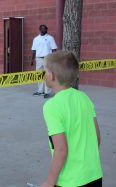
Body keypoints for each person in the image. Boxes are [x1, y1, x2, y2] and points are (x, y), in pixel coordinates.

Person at [41, 51, 103, 187]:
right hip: (94, 175)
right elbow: (97, 137)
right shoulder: (84, 98)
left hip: (70, 181)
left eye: (44, 71)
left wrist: (50, 182)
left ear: (52, 76)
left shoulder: (51, 106)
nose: (43, 74)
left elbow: (61, 150)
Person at [31, 24, 57, 98]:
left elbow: (54, 49)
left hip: (47, 58)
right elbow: (34, 50)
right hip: (38, 59)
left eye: (46, 29)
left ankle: (47, 92)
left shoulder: (50, 38)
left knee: (48, 75)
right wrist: (32, 60)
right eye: (43, 29)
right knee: (39, 75)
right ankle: (40, 91)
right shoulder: (36, 39)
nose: (45, 30)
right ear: (40, 29)